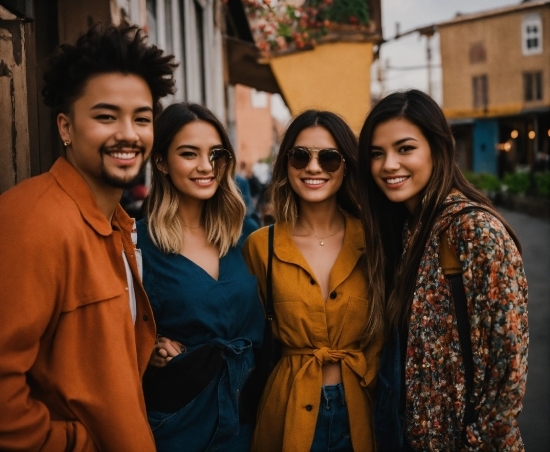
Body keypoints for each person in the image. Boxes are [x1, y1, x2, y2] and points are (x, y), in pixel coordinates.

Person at [0, 23, 176, 451]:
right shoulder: (33, 219)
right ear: (65, 127)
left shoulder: (114, 224)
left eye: (142, 118)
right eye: (105, 116)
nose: (129, 134)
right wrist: (74, 443)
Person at [358, 89, 528, 451]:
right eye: (377, 153)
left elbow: (509, 373)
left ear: (437, 149)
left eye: (405, 148)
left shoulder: (475, 231)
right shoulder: (406, 231)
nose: (388, 164)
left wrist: (476, 443)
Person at [243, 110, 384, 452]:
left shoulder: (375, 239)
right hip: (287, 409)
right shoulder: (262, 245)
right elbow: (241, 330)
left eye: (330, 158)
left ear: (347, 165)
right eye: (300, 156)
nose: (313, 168)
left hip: (364, 408)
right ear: (286, 163)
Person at [137, 102, 264, 451]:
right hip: (181, 419)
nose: (206, 166)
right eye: (189, 154)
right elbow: (118, 332)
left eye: (215, 154)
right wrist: (149, 347)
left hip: (245, 414)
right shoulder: (138, 244)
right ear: (161, 162)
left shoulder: (246, 235)